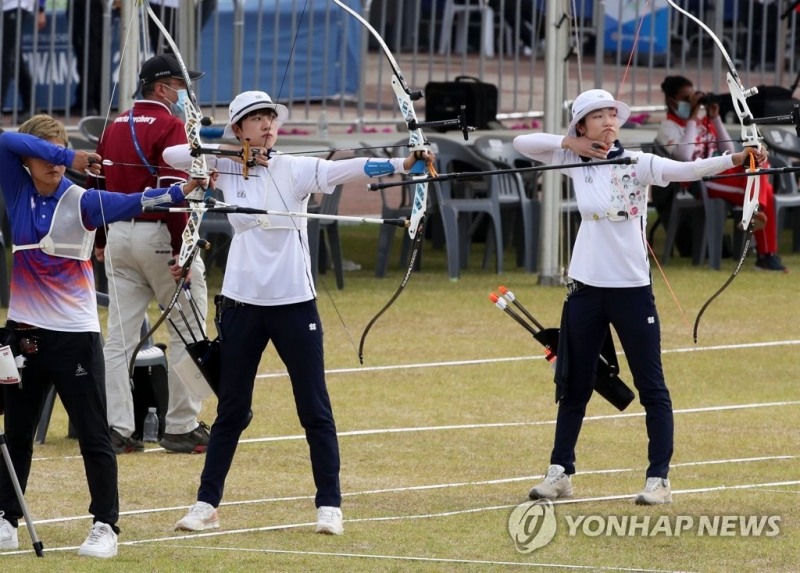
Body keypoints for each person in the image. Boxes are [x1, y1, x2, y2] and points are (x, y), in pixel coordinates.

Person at [162, 90, 434, 535]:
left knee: (314, 407)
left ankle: (329, 505)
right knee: (231, 409)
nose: (268, 126)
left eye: (271, 118)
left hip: (293, 304)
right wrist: (230, 154)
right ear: (238, 130)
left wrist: (404, 164)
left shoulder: (294, 167)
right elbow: (176, 153)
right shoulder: (225, 165)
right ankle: (206, 504)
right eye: (256, 120)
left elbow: (344, 168)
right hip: (241, 304)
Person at [513, 89, 767, 505]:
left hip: (630, 290)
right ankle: (560, 472)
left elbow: (691, 169)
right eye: (598, 116)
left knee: (652, 385)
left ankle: (658, 479)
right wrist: (570, 144)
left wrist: (736, 159)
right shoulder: (573, 160)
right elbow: (521, 144)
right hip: (585, 288)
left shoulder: (639, 163)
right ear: (582, 125)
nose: (609, 121)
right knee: (575, 383)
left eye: (612, 114)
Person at [0, 114, 207, 557]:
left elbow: (138, 202)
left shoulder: (83, 201)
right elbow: (4, 140)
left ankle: (105, 526)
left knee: (95, 434)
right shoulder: (15, 190)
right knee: (16, 432)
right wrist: (67, 153)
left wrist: (182, 190)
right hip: (22, 334)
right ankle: (6, 518)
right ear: (28, 160)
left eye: (59, 154)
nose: (54, 166)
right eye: (44, 155)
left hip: (73, 336)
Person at [90, 53, 211, 454]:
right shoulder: (171, 125)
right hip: (160, 234)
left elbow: (102, 188)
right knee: (188, 329)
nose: (183, 93)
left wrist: (103, 239)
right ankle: (181, 425)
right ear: (160, 88)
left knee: (119, 338)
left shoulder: (115, 126)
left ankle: (116, 428)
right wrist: (184, 251)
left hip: (120, 234)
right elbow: (175, 196)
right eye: (178, 85)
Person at [655, 75, 787, 272]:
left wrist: (715, 118)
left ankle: (758, 225)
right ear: (671, 100)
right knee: (764, 189)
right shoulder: (668, 127)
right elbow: (685, 156)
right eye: (686, 99)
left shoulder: (703, 122)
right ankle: (767, 255)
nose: (692, 103)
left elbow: (730, 148)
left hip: (722, 171)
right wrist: (692, 116)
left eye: (694, 98)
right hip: (700, 178)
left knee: (759, 161)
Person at [70, 0, 119, 116]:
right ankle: (90, 101)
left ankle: (91, 102)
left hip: (92, 6)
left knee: (91, 53)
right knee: (89, 52)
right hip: (90, 6)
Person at [1, 1, 46, 120]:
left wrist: (41, 8)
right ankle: (31, 106)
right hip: (7, 7)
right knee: (14, 58)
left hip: (16, 5)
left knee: (4, 56)